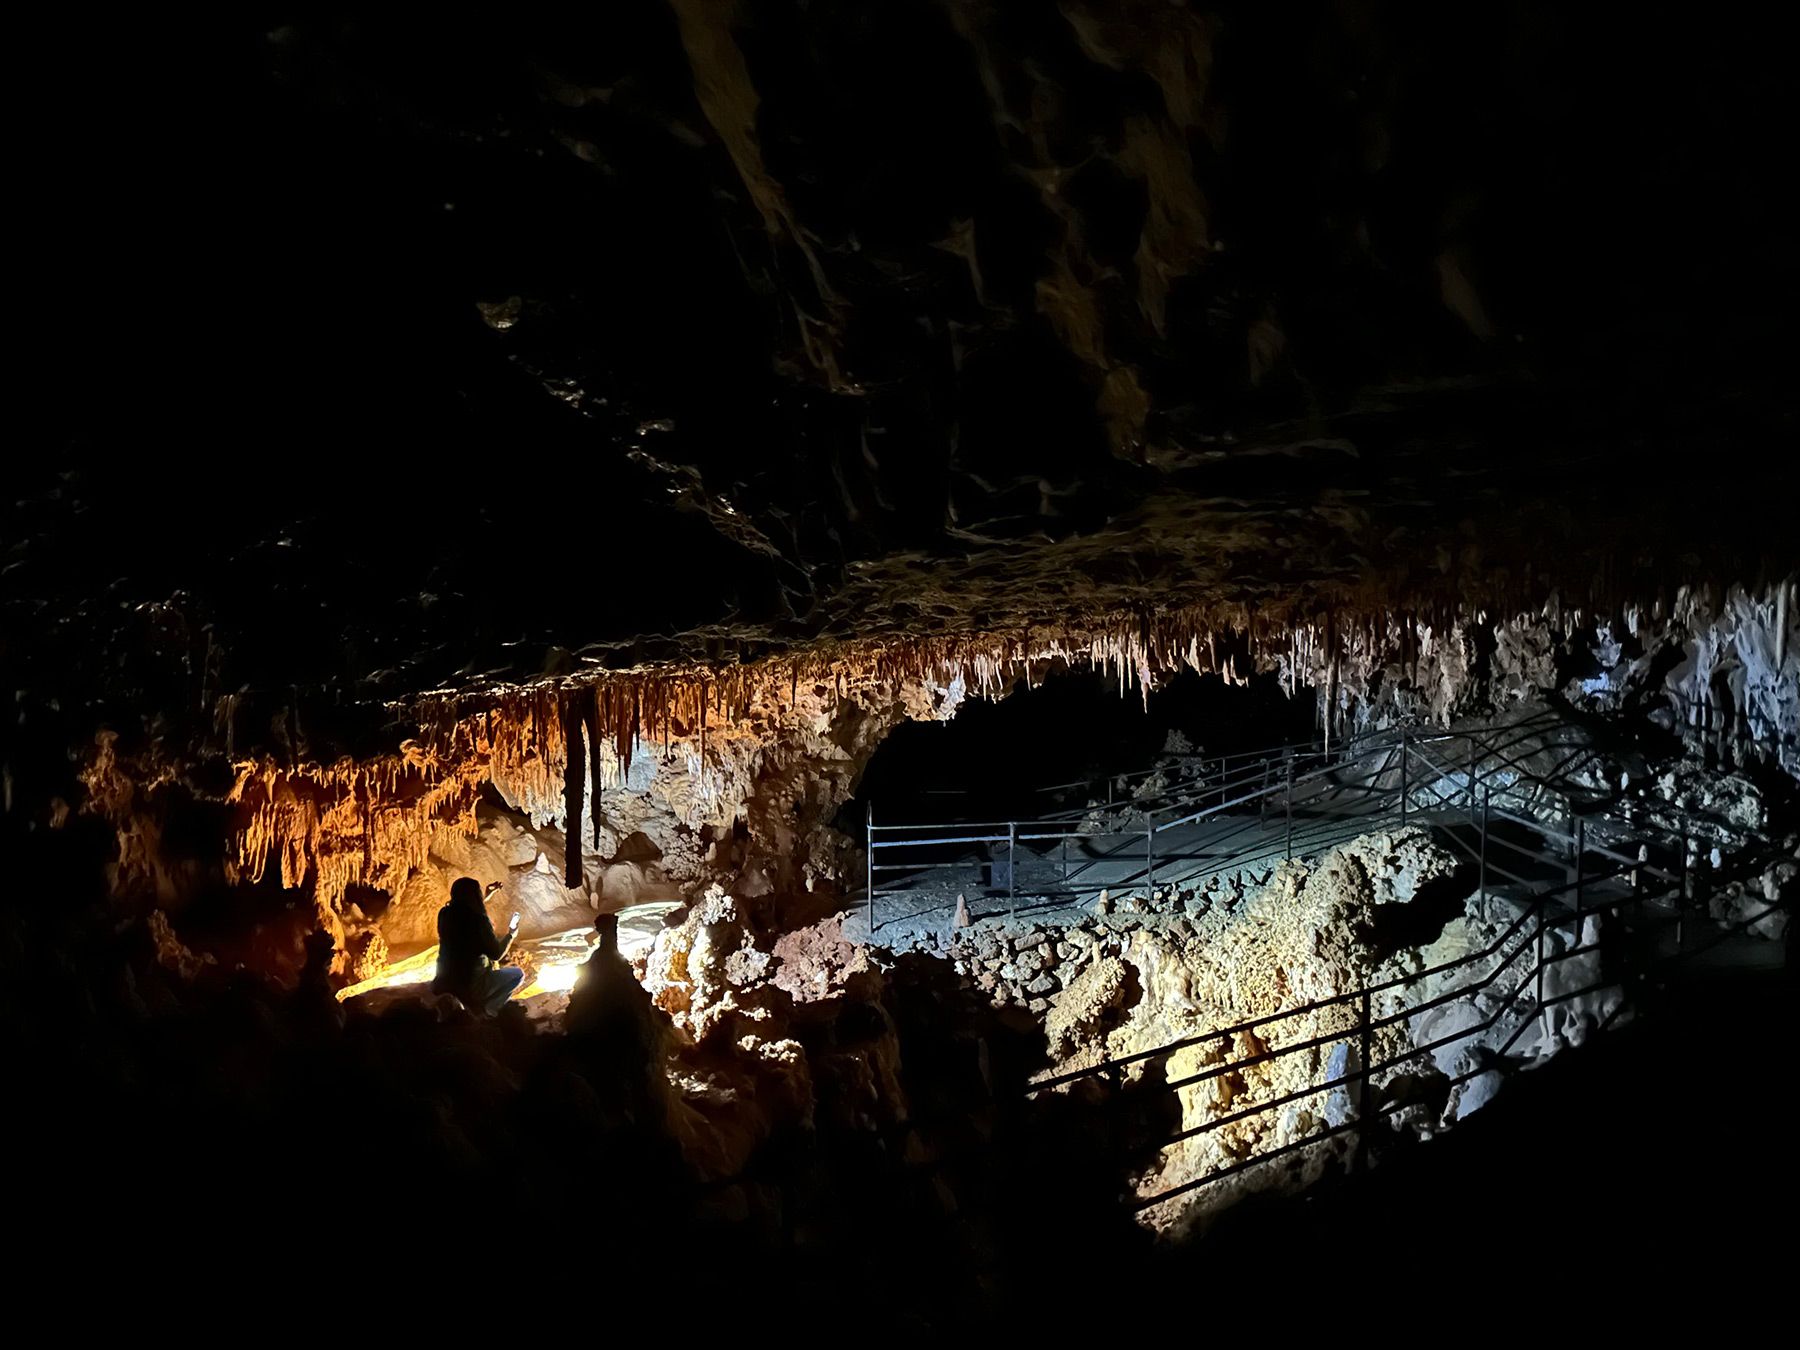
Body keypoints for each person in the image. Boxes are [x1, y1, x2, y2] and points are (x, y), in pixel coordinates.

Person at [432, 877, 524, 1016]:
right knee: (517, 974)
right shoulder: (479, 921)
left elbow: (464, 912)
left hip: (445, 980)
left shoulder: (444, 914)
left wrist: (487, 895)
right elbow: (496, 954)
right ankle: (488, 1011)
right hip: (470, 985)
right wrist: (511, 935)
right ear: (475, 896)